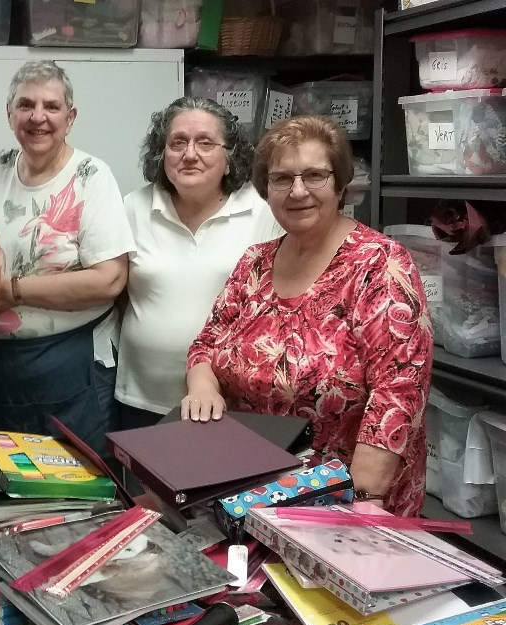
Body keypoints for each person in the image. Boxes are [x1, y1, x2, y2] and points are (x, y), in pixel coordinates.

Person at [183, 115, 432, 516]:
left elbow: (398, 392)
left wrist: (365, 497)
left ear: (340, 183)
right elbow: (206, 344)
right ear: (266, 189)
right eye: (282, 178)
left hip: (345, 502)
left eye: (315, 175)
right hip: (254, 490)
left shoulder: (379, 265)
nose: (298, 191)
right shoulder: (255, 263)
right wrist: (202, 387)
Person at [0, 60, 135, 456]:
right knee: (12, 486)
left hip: (72, 364)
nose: (37, 117)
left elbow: (109, 279)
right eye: (25, 105)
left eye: (51, 106)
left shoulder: (91, 176)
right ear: (9, 115)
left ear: (70, 117)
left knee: (82, 489)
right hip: (0, 364)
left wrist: (13, 290)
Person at [115, 97, 282, 429]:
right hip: (139, 396)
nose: (189, 154)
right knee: (137, 481)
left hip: (230, 402)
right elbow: (116, 292)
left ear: (231, 159)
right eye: (177, 143)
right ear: (162, 155)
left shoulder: (263, 211)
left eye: (205, 143)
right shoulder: (133, 207)